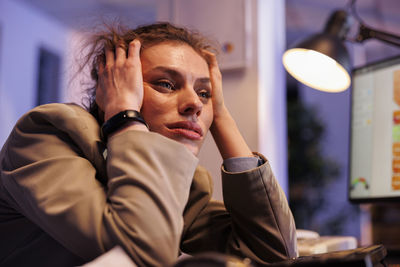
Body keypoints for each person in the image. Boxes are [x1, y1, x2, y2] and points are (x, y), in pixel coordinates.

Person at [0, 22, 297, 266]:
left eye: (204, 93)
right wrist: (124, 115)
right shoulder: (47, 136)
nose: (194, 103)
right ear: (113, 86)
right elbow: (142, 255)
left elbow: (275, 254)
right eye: (166, 84)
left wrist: (221, 116)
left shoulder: (182, 182)